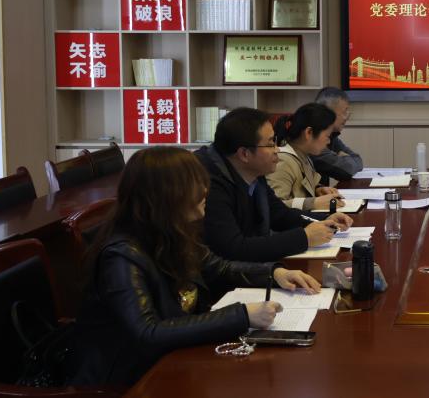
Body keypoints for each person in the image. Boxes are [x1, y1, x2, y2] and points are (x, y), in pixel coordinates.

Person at [68, 147, 320, 387]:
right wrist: (241, 316)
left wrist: (275, 273)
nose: (204, 191)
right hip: (133, 378)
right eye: (194, 185)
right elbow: (148, 332)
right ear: (165, 196)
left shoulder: (170, 233)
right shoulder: (121, 256)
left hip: (176, 359)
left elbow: (219, 267)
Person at [195, 107, 352, 263]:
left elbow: (279, 214)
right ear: (244, 154)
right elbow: (234, 248)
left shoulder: (253, 171)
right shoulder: (208, 184)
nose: (277, 149)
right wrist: (304, 238)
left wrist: (324, 219)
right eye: (270, 144)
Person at [267, 102, 347, 211]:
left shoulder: (304, 156)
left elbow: (302, 189)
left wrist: (318, 190)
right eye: (327, 136)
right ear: (309, 132)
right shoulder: (282, 161)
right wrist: (312, 203)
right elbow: (274, 207)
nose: (328, 141)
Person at [311, 87, 364, 184]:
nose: (346, 117)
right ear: (327, 113)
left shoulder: (331, 136)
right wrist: (345, 159)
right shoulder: (313, 139)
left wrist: (344, 159)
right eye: (344, 112)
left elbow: (358, 160)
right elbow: (347, 170)